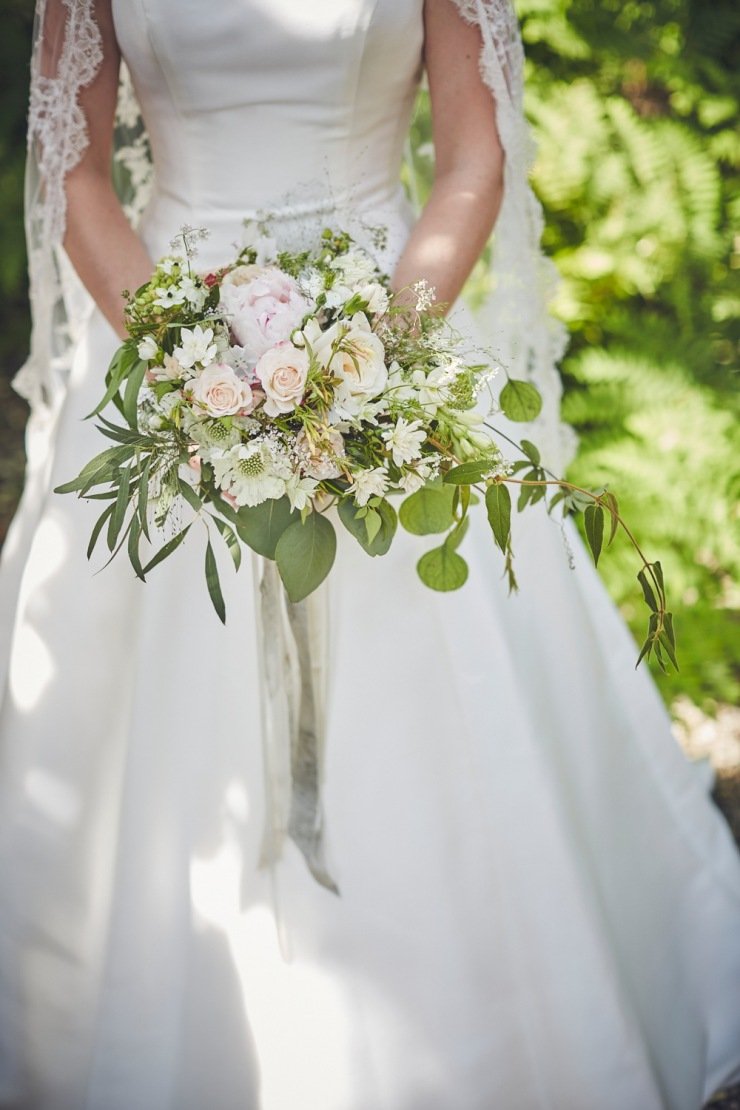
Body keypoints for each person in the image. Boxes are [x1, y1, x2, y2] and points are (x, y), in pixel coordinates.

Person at [0, 1, 739, 1107]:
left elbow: (472, 160)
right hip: (162, 340)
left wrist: (363, 374)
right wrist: (182, 360)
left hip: (392, 330)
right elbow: (74, 170)